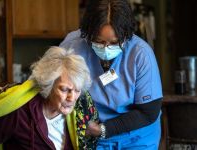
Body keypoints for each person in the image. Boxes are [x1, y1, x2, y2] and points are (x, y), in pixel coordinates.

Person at [60, 0, 163, 149]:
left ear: (126, 36)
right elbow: (54, 86)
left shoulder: (141, 54)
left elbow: (148, 112)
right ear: (88, 33)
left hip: (137, 136)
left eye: (114, 43)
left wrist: (104, 129)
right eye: (98, 41)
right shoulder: (73, 47)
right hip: (91, 134)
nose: (106, 48)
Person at [0, 46, 95, 150]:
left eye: (77, 90)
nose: (72, 98)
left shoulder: (79, 111)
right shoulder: (19, 112)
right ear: (48, 85)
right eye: (65, 89)